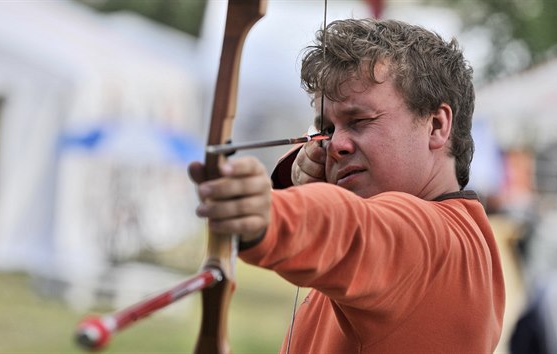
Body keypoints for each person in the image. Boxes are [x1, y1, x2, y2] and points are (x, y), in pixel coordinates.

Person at [189, 18, 505, 353]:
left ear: (437, 126)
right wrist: (290, 181)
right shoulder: (462, 238)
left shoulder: (432, 241)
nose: (335, 145)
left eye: (359, 121)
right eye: (325, 128)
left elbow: (355, 228)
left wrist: (268, 215)